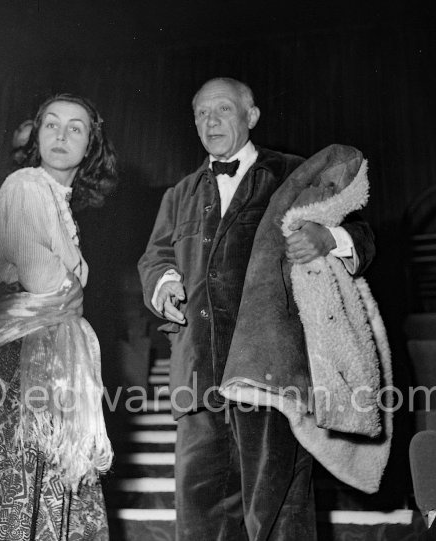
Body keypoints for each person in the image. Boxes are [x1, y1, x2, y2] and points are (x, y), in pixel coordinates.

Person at [138, 77, 375, 540]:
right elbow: (156, 257)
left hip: (271, 372)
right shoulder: (178, 195)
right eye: (202, 114)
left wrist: (330, 239)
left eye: (223, 110)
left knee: (278, 516)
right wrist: (164, 283)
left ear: (252, 116)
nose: (211, 121)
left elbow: (364, 234)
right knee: (200, 520)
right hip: (198, 376)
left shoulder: (293, 172)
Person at [0, 93, 118, 541]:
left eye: (76, 127)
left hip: (45, 359)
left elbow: (65, 286)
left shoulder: (58, 200)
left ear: (91, 144)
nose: (61, 135)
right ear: (37, 136)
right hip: (14, 360)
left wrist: (70, 287)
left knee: (43, 497)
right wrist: (70, 287)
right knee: (7, 500)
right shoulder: (26, 185)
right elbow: (46, 283)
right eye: (51, 125)